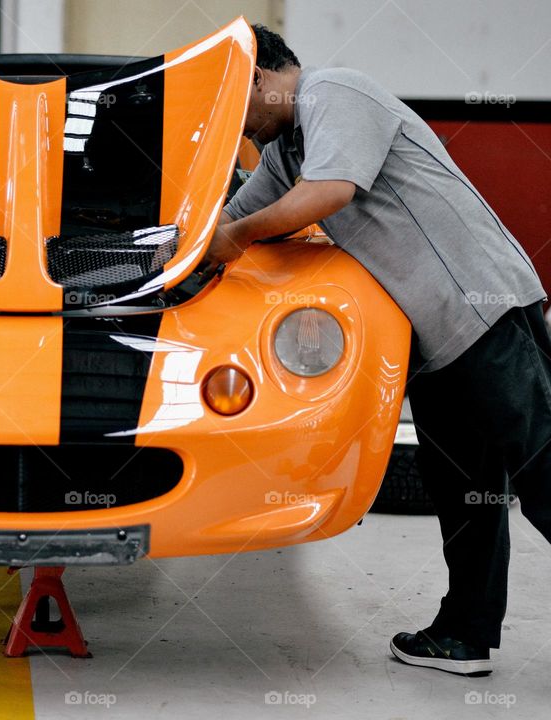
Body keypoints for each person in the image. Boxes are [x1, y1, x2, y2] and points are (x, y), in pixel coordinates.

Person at [209, 25, 551, 676]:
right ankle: (464, 635)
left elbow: (329, 192)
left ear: (259, 77)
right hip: (434, 342)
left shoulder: (334, 93)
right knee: (466, 493)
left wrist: (240, 234)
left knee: (542, 475)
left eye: (233, 105)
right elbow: (230, 220)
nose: (236, 127)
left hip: (484, 312)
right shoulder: (284, 153)